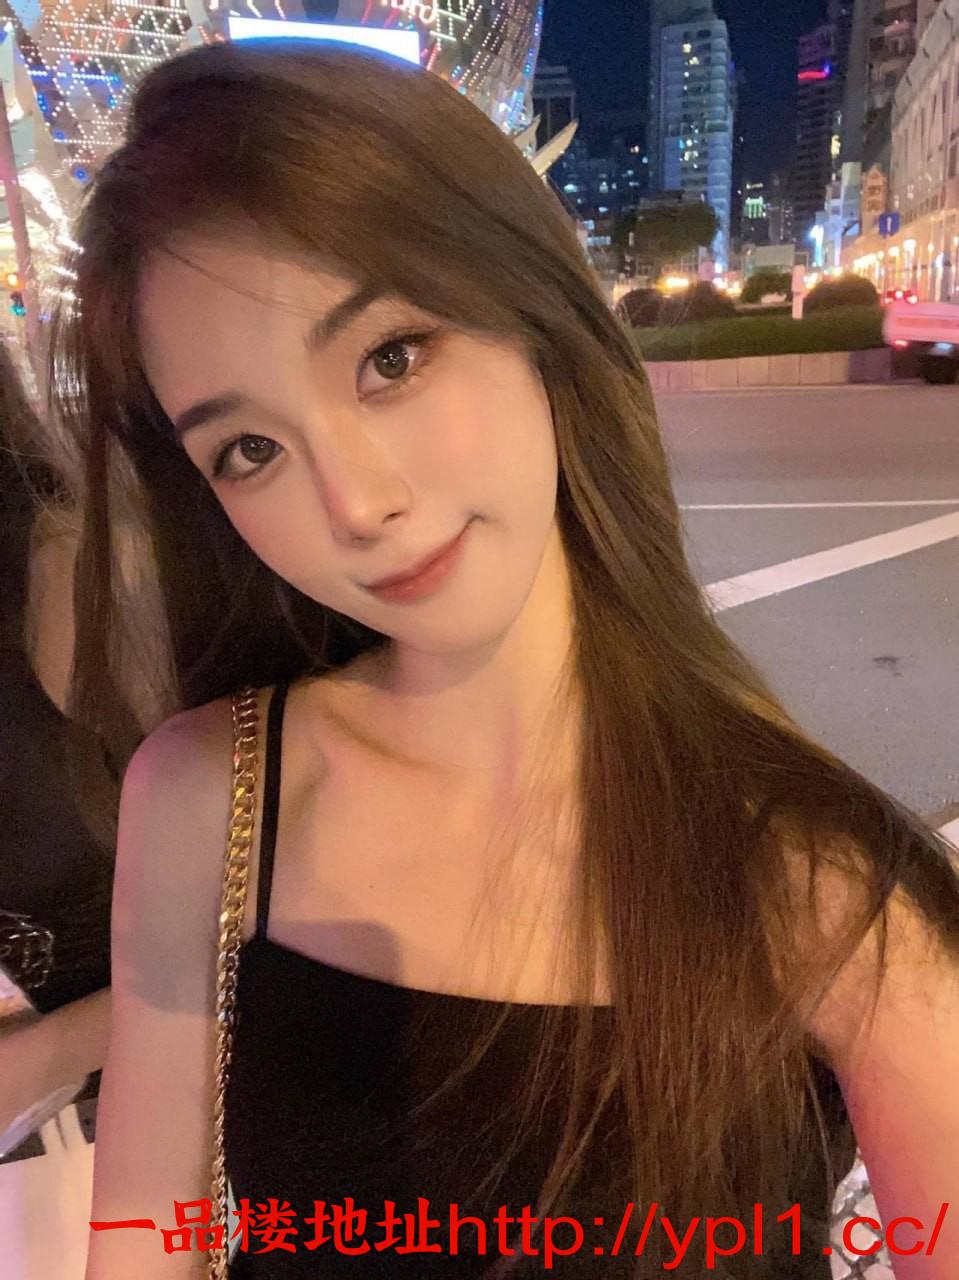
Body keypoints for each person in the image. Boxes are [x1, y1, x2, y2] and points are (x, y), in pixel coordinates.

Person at [51, 39, 958, 1280]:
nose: (356, 503)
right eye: (249, 449)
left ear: (535, 315)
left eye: (390, 358)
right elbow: (144, 1241)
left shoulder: (818, 888)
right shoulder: (210, 794)